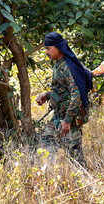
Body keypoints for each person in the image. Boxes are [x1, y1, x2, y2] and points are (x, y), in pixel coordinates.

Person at [36, 32, 93, 168]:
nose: (46, 52)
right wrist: (47, 95)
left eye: (49, 48)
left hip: (70, 118)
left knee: (76, 159)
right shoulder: (58, 64)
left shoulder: (68, 67)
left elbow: (76, 95)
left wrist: (67, 121)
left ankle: (87, 184)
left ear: (58, 48)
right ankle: (48, 176)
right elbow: (63, 89)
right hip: (59, 115)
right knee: (46, 142)